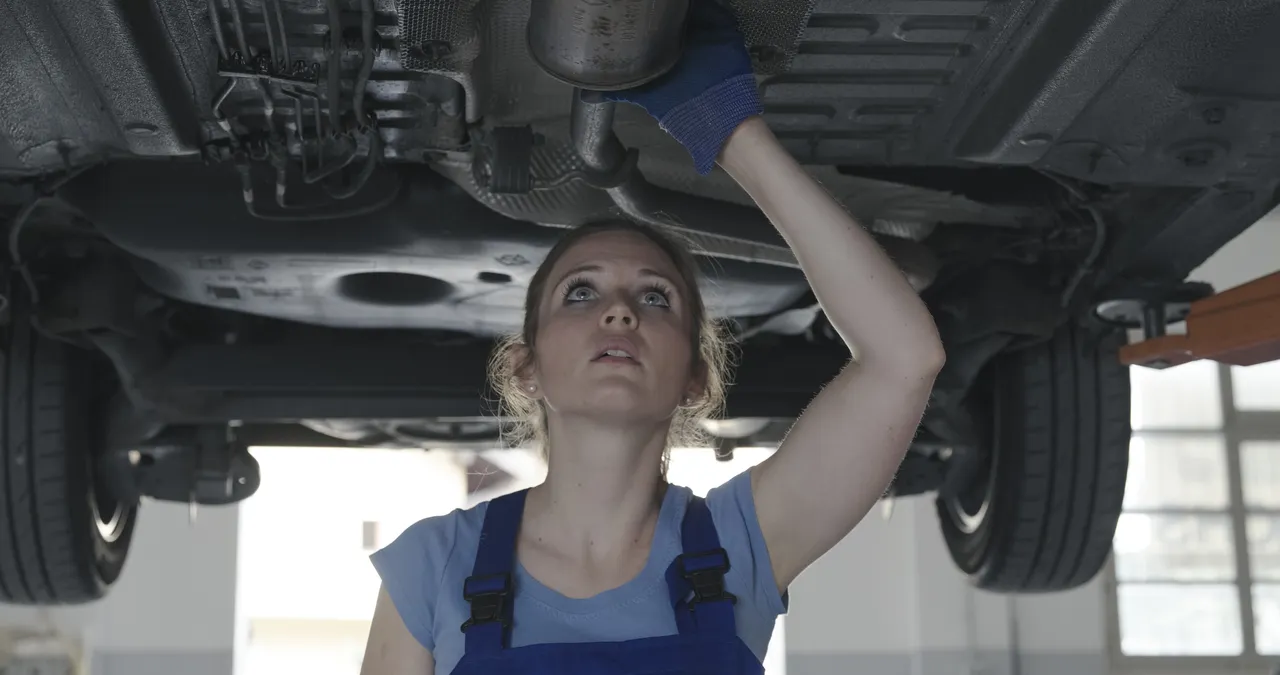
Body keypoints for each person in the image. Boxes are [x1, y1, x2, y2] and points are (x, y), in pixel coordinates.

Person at [359, 0, 946, 672]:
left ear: (695, 377)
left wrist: (733, 134)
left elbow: (905, 358)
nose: (620, 312)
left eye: (655, 297)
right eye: (581, 292)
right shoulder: (433, 567)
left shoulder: (738, 546)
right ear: (526, 368)